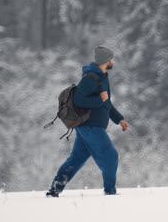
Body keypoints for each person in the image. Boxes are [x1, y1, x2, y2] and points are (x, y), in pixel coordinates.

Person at [46, 46, 129, 197]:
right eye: (111, 58)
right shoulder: (91, 78)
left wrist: (119, 119)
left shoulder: (103, 77)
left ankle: (54, 190)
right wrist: (100, 99)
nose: (113, 61)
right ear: (106, 60)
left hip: (88, 127)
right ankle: (110, 192)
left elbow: (107, 103)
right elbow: (78, 100)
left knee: (76, 160)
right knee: (111, 156)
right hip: (90, 127)